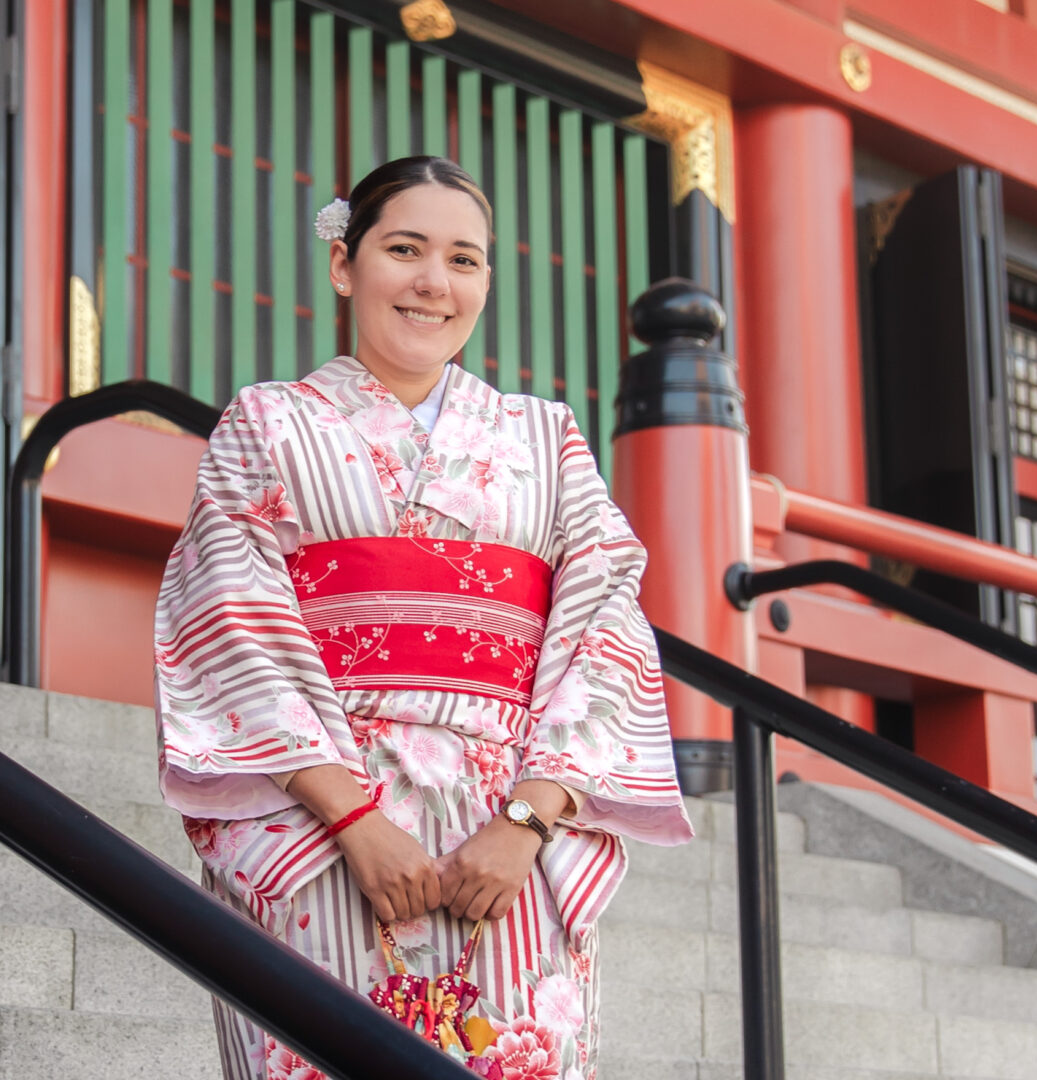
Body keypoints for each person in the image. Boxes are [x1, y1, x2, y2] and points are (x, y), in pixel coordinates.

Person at [154, 155, 692, 1080]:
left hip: (510, 836)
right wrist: (353, 819)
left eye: (465, 259)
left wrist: (529, 819)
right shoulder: (271, 425)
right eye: (404, 249)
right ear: (344, 264)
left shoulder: (546, 439)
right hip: (323, 825)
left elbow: (607, 622)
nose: (434, 283)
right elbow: (231, 619)